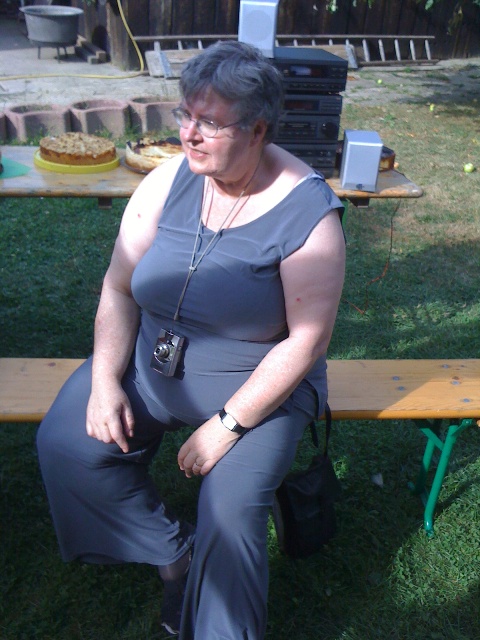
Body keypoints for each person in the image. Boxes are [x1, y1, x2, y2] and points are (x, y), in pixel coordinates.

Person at [37, 40, 346, 639]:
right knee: (67, 444)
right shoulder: (167, 181)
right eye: (185, 113)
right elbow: (119, 287)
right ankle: (175, 555)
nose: (189, 133)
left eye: (209, 122)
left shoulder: (308, 216)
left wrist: (227, 425)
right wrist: (103, 382)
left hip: (260, 391)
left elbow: (305, 343)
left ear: (258, 130)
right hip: (153, 366)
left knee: (229, 513)